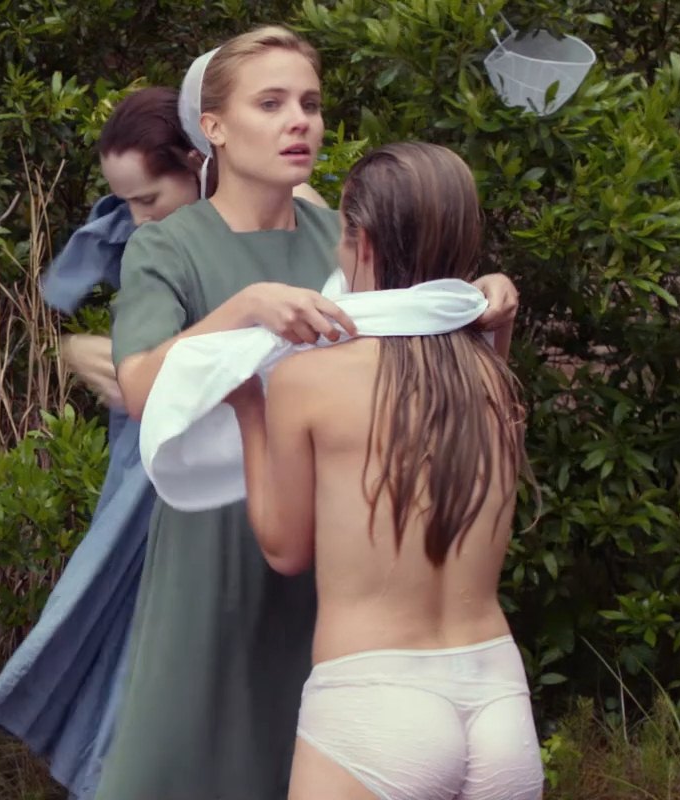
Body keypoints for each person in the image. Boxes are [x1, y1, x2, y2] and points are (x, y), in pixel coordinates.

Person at [100, 26, 520, 799]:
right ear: (215, 127)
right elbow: (138, 391)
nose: (300, 121)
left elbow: (426, 356)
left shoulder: (347, 234)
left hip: (350, 571)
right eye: (272, 104)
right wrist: (243, 309)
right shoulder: (167, 247)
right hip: (215, 556)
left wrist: (480, 298)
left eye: (311, 104)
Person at [0, 86, 324, 798]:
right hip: (167, 489)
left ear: (199, 162)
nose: (137, 217)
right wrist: (92, 353)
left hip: (264, 490)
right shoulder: (166, 243)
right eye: (126, 202)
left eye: (147, 198)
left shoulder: (300, 219)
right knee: (143, 667)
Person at [230, 141, 542, 799]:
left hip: (375, 701)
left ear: (363, 244)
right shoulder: (489, 375)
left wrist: (249, 409)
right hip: (496, 694)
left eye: (343, 234)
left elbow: (285, 549)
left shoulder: (308, 380)